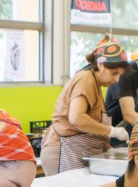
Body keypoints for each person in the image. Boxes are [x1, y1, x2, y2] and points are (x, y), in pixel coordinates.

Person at [39, 37, 130, 175]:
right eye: (114, 73)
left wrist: (108, 148)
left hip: (76, 150)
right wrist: (111, 131)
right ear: (100, 65)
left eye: (120, 75)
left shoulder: (95, 83)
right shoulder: (86, 79)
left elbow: (89, 127)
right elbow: (76, 118)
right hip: (64, 150)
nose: (117, 79)